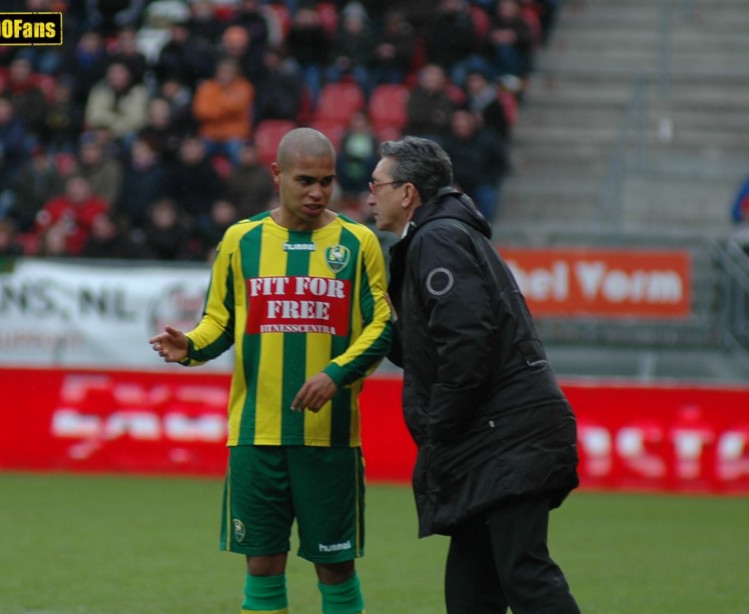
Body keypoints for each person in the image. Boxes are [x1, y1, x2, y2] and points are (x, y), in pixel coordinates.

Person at [149, 127, 393, 614]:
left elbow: (383, 325)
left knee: (336, 567)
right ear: (277, 174)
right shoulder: (241, 241)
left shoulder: (358, 242)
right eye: (305, 180)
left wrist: (336, 373)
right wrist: (190, 346)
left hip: (330, 438)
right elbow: (219, 323)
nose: (317, 192)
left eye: (326, 181)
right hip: (255, 434)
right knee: (261, 565)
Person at [369, 136, 580, 614]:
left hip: (502, 436)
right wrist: (375, 323)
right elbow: (434, 350)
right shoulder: (443, 236)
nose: (368, 195)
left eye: (376, 184)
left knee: (523, 576)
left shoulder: (437, 239)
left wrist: (438, 425)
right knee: (471, 590)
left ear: (406, 193)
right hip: (493, 437)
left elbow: (468, 343)